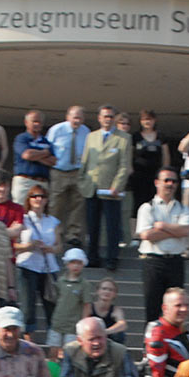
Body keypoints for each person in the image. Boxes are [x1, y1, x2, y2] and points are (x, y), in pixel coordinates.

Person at [134, 168, 189, 323]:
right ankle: (152, 339)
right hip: (153, 262)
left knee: (177, 309)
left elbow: (186, 231)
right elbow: (146, 235)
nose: (170, 184)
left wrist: (162, 226)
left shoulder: (183, 208)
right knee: (153, 308)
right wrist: (175, 230)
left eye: (174, 181)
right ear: (157, 182)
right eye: (166, 180)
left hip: (176, 261)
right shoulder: (147, 207)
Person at [78, 104, 132, 271]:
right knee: (92, 225)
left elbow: (124, 165)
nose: (107, 119)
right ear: (99, 118)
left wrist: (117, 186)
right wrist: (82, 181)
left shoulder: (124, 138)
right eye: (105, 116)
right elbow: (85, 160)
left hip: (110, 189)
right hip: (92, 187)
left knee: (112, 226)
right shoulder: (91, 136)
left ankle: (112, 258)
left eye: (110, 116)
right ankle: (93, 256)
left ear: (114, 119)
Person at [14, 185, 61, 334]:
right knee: (28, 307)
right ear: (29, 199)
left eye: (42, 196)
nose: (38, 199)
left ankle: (54, 339)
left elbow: (59, 246)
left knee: (52, 305)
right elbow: (13, 245)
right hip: (27, 265)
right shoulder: (22, 219)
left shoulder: (53, 221)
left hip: (48, 267)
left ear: (46, 200)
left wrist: (49, 248)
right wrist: (28, 246)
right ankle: (28, 339)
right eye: (34, 196)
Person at [47, 106, 89, 247]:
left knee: (77, 204)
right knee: (55, 204)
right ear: (68, 117)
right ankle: (55, 233)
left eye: (80, 118)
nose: (77, 121)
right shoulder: (56, 130)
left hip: (78, 171)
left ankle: (73, 235)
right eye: (74, 117)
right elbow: (47, 149)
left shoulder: (86, 131)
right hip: (59, 171)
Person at [142, 287, 189, 377]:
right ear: (165, 308)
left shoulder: (181, 329)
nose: (184, 309)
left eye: (186, 305)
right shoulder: (158, 332)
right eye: (178, 305)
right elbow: (155, 376)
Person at [45, 248, 89, 353]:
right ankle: (52, 365)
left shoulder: (84, 284)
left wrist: (83, 324)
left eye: (79, 263)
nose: (76, 266)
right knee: (53, 351)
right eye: (73, 262)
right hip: (57, 323)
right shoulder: (60, 281)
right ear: (67, 264)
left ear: (83, 264)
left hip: (73, 326)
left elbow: (87, 305)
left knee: (70, 352)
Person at [84, 274, 127, 345]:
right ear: (98, 291)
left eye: (110, 290)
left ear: (115, 294)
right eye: (104, 289)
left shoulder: (116, 310)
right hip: (91, 338)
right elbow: (82, 323)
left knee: (120, 334)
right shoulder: (89, 307)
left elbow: (122, 324)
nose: (107, 292)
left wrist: (105, 331)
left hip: (109, 340)